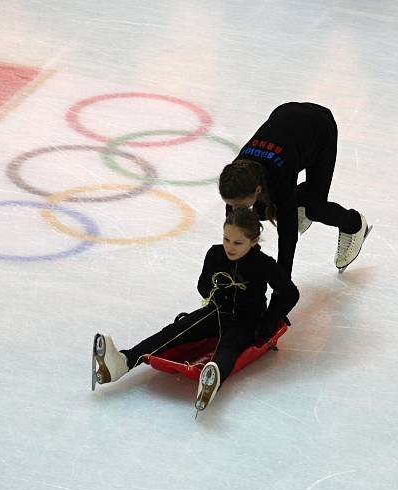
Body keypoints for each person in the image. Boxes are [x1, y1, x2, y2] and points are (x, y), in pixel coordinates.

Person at [92, 208, 299, 413]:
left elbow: (290, 293)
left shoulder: (263, 264)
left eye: (237, 243)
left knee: (230, 345)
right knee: (177, 330)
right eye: (226, 239)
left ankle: (211, 380)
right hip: (217, 311)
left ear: (254, 241)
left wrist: (268, 322)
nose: (230, 247)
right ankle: (123, 361)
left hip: (247, 320)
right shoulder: (216, 254)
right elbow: (203, 284)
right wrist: (215, 292)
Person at [218, 102, 370, 276]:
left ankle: (354, 224)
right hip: (286, 115)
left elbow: (288, 234)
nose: (235, 207)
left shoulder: (279, 175)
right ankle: (301, 200)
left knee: (314, 208)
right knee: (259, 211)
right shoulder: (238, 172)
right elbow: (235, 219)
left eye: (239, 204)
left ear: (258, 189)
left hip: (319, 129)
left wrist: (282, 284)